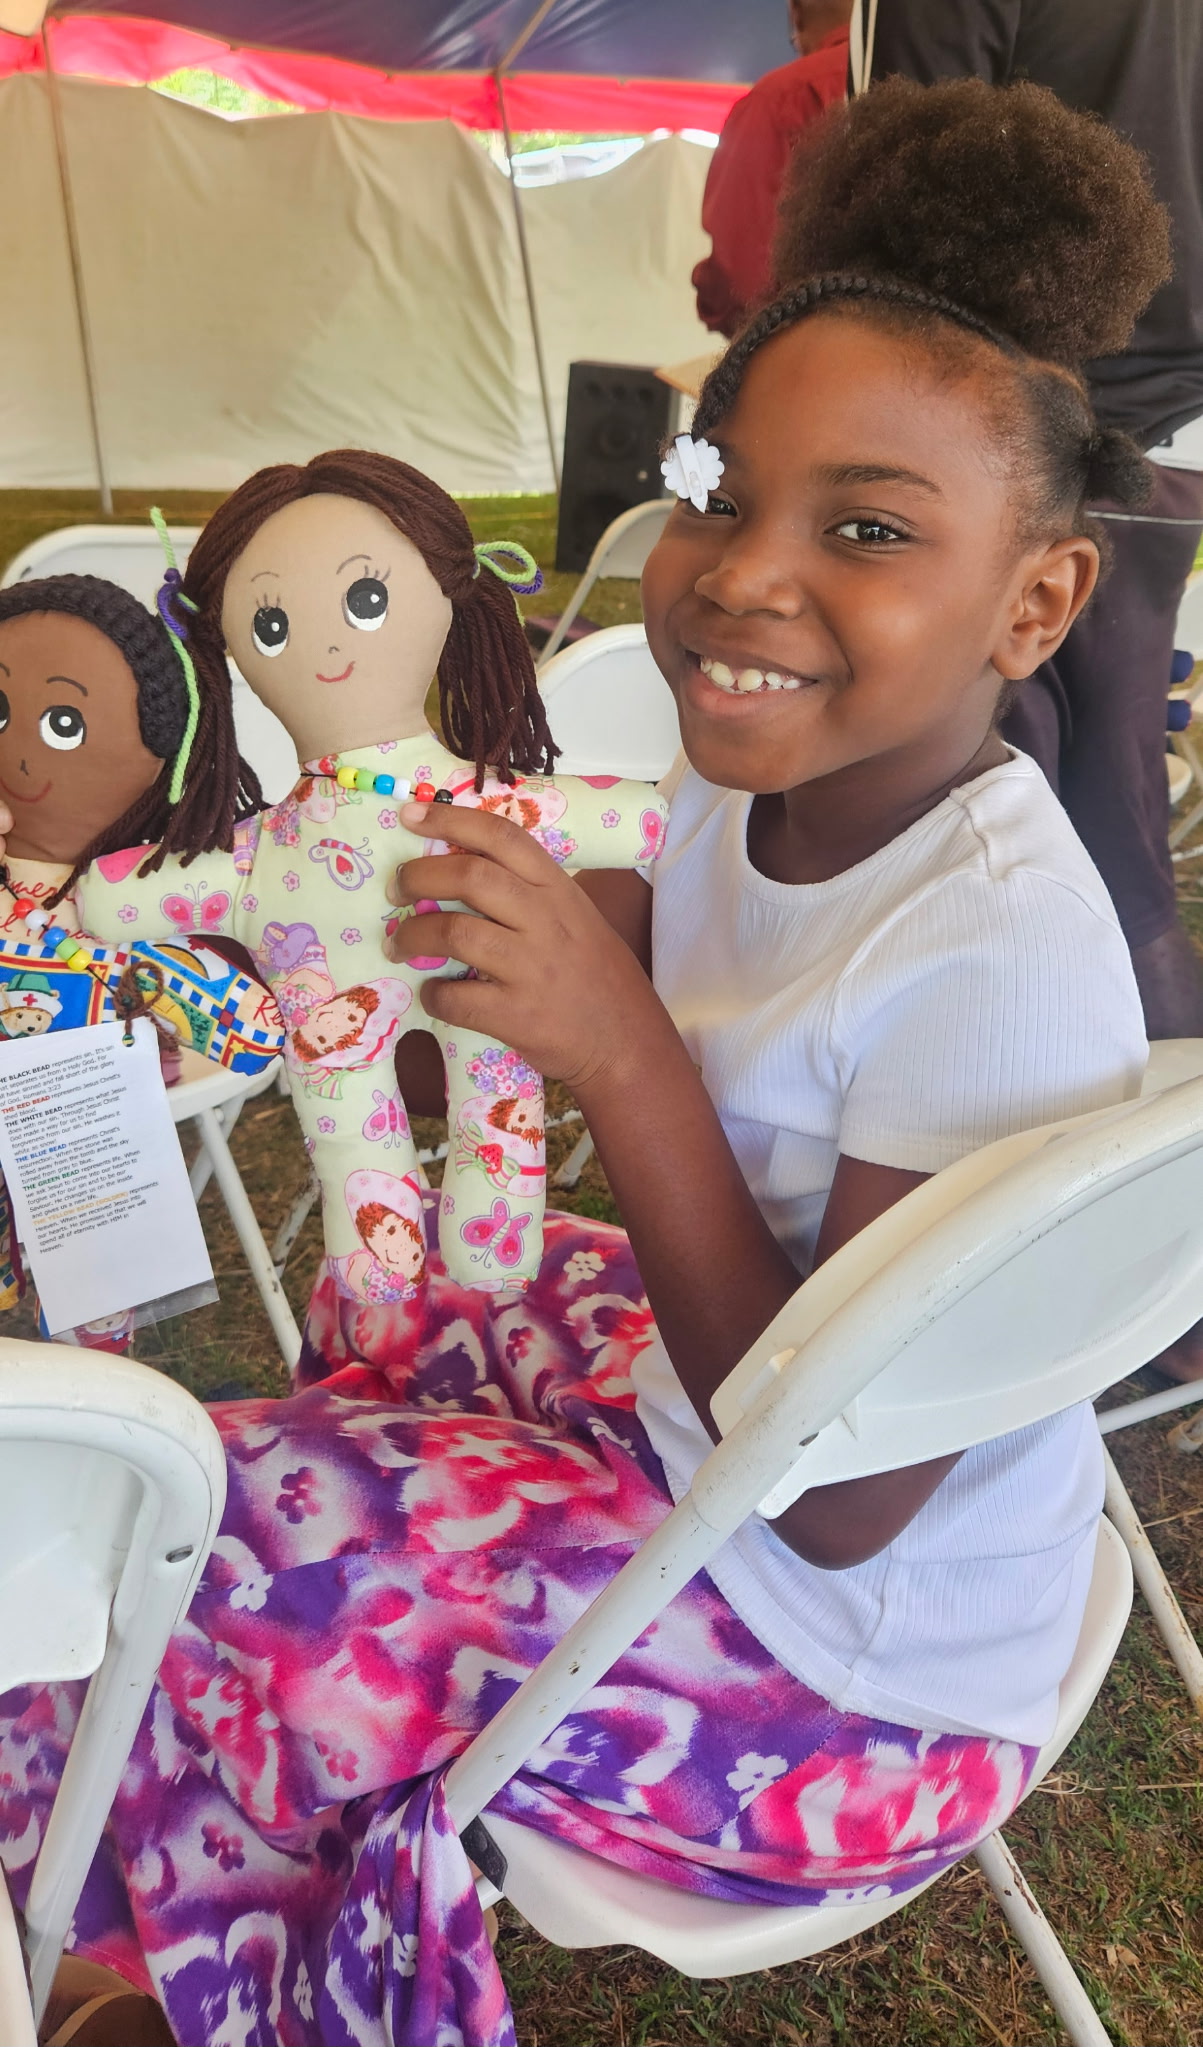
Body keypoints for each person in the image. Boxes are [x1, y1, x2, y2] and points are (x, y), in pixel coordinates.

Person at [0, 78, 1162, 2047]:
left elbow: (840, 1491)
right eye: (719, 488)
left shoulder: (995, 960)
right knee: (388, 1318)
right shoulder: (744, 781)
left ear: (1035, 599)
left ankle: (176, 1963)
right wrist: (355, 918)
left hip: (837, 1683)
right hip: (714, 1453)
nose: (737, 572)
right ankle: (201, 1914)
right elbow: (611, 939)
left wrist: (618, 1053)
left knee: (200, 1515)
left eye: (863, 528)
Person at [842, 0, 1203, 1047]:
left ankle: (1065, 1125)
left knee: (1008, 785)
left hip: (1032, 406)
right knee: (1104, 773)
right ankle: (1141, 1119)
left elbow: (901, 178)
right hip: (1169, 415)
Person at [692, 0, 851, 337]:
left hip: (806, 355)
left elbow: (743, 270)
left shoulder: (782, 97)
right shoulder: (944, 83)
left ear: (795, 12)